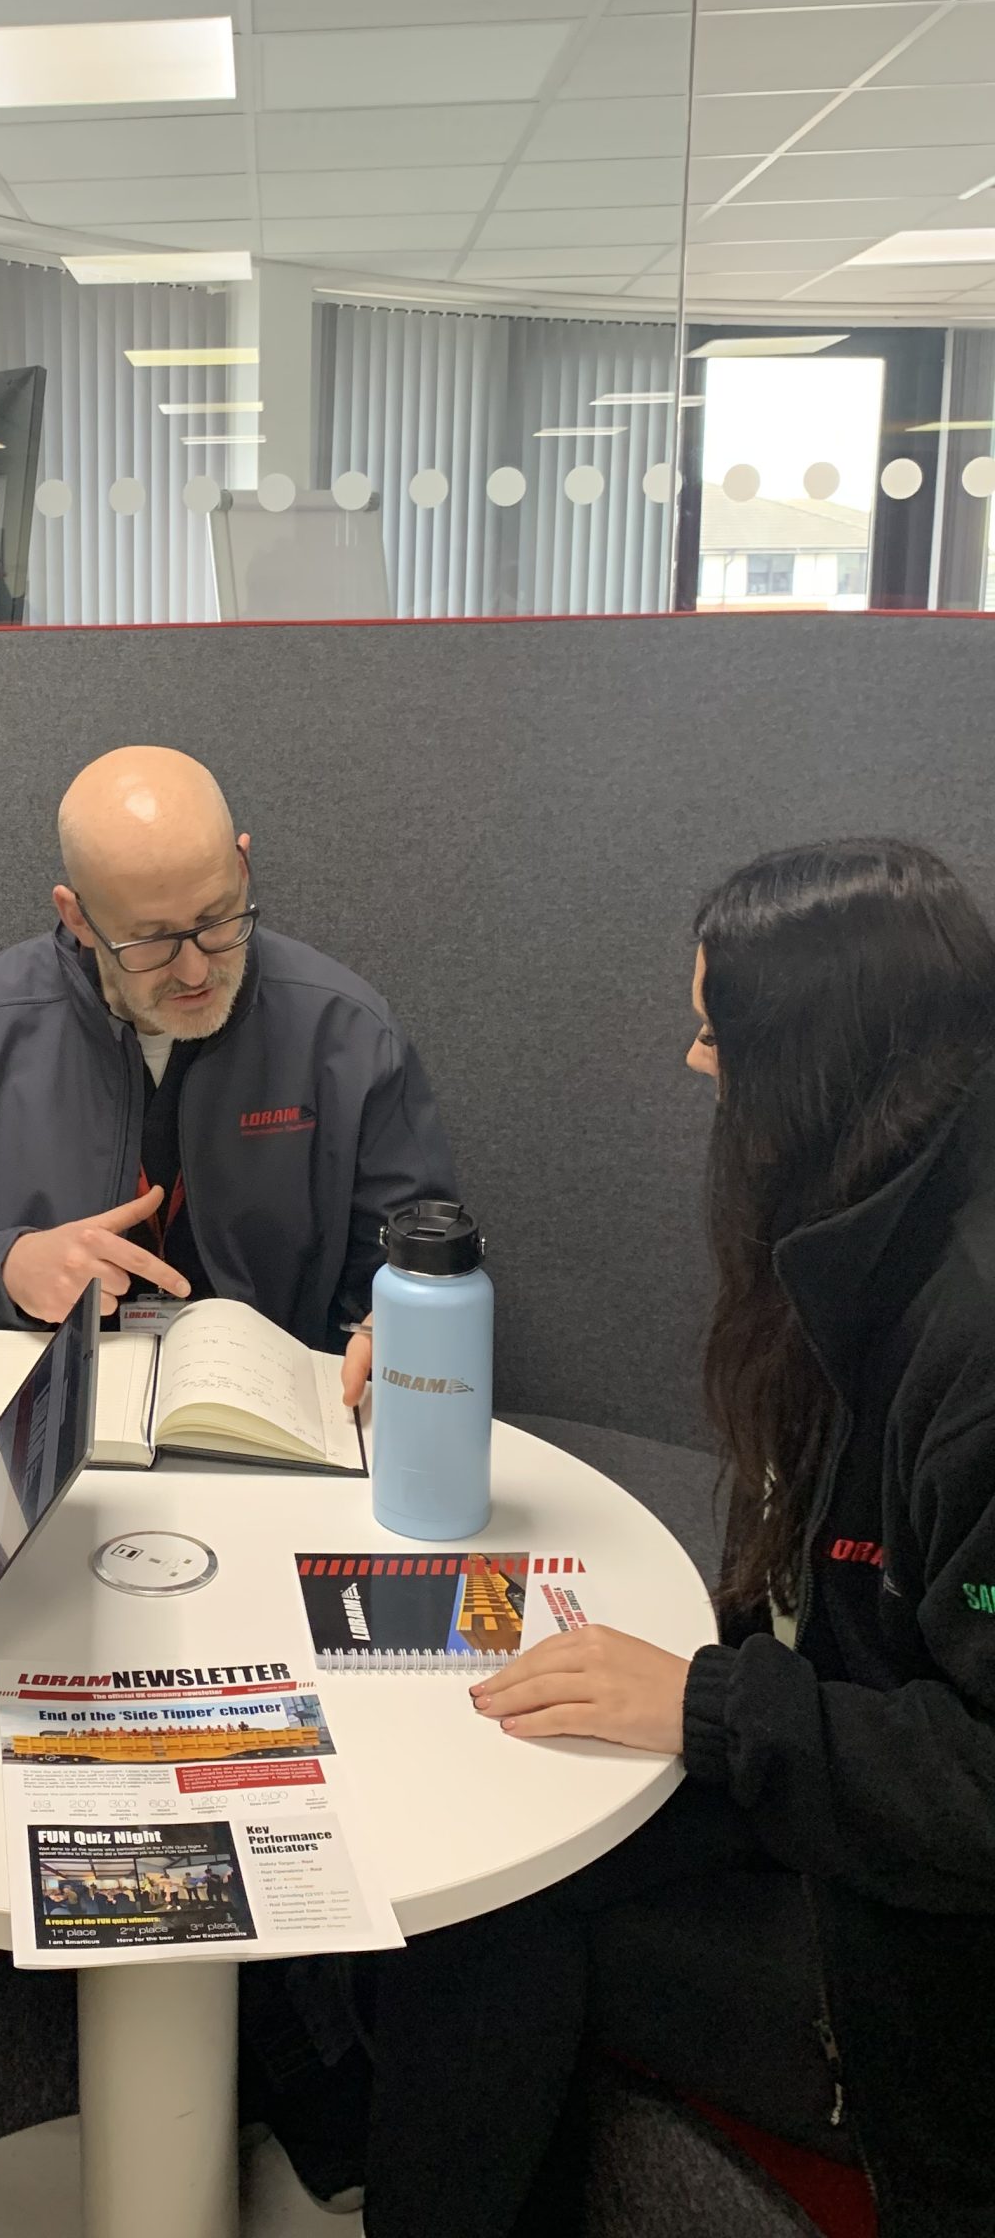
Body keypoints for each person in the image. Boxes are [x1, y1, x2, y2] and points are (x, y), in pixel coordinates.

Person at [340, 838, 995, 2238]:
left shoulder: (977, 1331)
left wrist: (709, 1705)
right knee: (488, 1786)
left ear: (816, 1061)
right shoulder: (888, 1215)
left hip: (923, 1954)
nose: (698, 1065)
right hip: (833, 1774)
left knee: (476, 1926)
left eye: (718, 1033)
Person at [0, 746, 457, 1410]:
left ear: (243, 865)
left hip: (277, 1434)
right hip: (41, 1442)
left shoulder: (346, 1031)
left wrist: (393, 1327)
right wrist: (6, 1271)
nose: (195, 971)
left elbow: (423, 1261)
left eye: (218, 920)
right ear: (78, 917)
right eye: (152, 942)